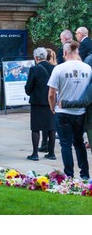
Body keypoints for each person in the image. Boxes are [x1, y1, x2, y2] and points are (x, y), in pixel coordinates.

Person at [47, 41, 90, 180]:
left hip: (63, 112)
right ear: (77, 52)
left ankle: (69, 175)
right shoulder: (88, 68)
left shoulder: (59, 69)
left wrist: (52, 106)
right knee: (79, 143)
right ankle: (84, 173)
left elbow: (51, 93)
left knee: (65, 144)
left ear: (65, 53)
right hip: (80, 112)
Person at [24, 47, 55, 161]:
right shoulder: (54, 68)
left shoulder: (34, 69)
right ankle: (51, 153)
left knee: (36, 128)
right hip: (51, 101)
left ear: (36, 58)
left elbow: (28, 88)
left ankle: (35, 153)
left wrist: (28, 90)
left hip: (37, 102)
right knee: (51, 127)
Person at [38, 48, 57, 152]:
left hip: (46, 98)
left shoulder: (41, 68)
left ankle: (45, 143)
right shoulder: (55, 68)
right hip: (54, 98)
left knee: (45, 125)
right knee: (51, 124)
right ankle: (50, 148)